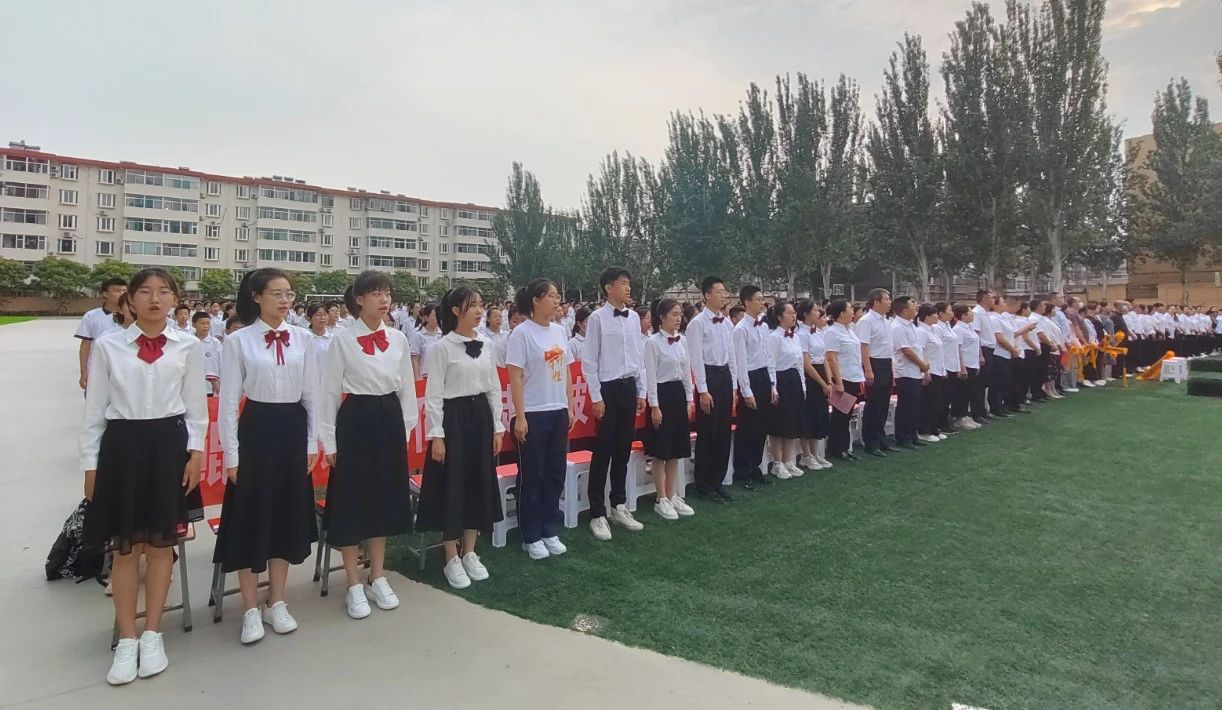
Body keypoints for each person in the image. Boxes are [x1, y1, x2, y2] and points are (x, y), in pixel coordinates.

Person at [80, 268, 206, 685]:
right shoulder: (109, 345)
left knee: (160, 546)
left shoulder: (187, 345)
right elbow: (95, 412)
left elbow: (195, 409)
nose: (155, 299)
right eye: (146, 292)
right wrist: (90, 465)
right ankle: (127, 638)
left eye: (164, 292)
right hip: (123, 448)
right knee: (126, 548)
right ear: (130, 299)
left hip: (169, 446)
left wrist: (195, 454)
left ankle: (153, 633)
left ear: (174, 300)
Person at [213, 268, 319, 644]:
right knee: (251, 515)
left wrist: (311, 443)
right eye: (277, 294)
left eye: (289, 294)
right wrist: (232, 455)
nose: (285, 300)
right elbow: (228, 401)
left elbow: (312, 394)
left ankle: (277, 600)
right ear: (256, 297)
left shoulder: (304, 339)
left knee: (284, 515)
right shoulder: (238, 341)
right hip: (256, 431)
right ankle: (249, 608)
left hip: (292, 429)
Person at [317, 271, 417, 619]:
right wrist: (329, 440)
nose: (384, 299)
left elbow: (407, 388)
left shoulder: (398, 339)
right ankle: (353, 583)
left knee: (383, 499)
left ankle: (377, 575)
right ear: (359, 300)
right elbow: (329, 392)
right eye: (376, 293)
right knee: (351, 500)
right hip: (355, 418)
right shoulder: (342, 340)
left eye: (387, 293)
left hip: (389, 418)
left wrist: (405, 431)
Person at [419, 287, 506, 588]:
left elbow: (493, 387)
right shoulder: (442, 348)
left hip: (480, 416)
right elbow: (434, 395)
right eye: (472, 306)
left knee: (477, 481)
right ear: (456, 311)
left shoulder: (487, 344)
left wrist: (497, 426)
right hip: (453, 419)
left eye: (481, 305)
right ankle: (451, 555)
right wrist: (437, 435)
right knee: (453, 484)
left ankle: (470, 551)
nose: (479, 311)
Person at [507, 279, 577, 560]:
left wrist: (569, 405)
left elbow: (567, 371)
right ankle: (531, 534)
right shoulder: (521, 334)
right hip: (533, 412)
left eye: (557, 295)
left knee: (555, 472)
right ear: (535, 300)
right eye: (551, 295)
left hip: (557, 409)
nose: (556, 300)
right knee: (532, 475)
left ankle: (548, 528)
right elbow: (515, 377)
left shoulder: (560, 331)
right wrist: (520, 416)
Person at [580, 267, 647, 541]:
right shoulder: (597, 318)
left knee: (623, 449)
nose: (628, 288)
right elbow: (589, 361)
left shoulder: (633, 318)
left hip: (628, 386)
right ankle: (597, 512)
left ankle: (619, 505)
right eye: (623, 283)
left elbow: (638, 357)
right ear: (608, 288)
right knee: (603, 450)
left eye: (629, 284)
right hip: (607, 389)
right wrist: (596, 397)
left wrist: (641, 391)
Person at [643, 299, 696, 520]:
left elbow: (686, 372)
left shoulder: (682, 340)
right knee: (661, 450)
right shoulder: (652, 343)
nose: (678, 318)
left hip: (678, 395)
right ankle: (661, 498)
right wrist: (654, 406)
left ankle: (672, 494)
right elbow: (650, 377)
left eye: (680, 314)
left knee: (676, 449)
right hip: (661, 395)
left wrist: (689, 399)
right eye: (674, 314)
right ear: (662, 317)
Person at [685, 276, 738, 500]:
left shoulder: (726, 323)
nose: (724, 295)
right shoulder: (697, 324)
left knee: (724, 430)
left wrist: (734, 386)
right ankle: (703, 482)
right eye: (719, 291)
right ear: (707, 295)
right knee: (708, 431)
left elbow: (732, 355)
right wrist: (703, 390)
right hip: (708, 377)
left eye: (724, 291)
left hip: (724, 376)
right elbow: (695, 359)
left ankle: (718, 479)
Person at [732, 285, 776, 489]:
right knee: (748, 426)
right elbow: (740, 363)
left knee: (762, 425)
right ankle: (743, 470)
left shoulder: (764, 326)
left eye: (762, 298)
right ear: (747, 302)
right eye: (758, 299)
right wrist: (746, 391)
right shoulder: (740, 329)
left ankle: (755, 465)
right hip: (749, 378)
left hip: (763, 375)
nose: (762, 302)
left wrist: (773, 384)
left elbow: (769, 356)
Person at [765, 301, 806, 477]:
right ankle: (778, 463)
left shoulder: (796, 337)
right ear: (780, 317)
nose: (793, 316)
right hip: (781, 380)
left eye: (794, 313)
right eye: (789, 313)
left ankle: (789, 460)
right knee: (779, 423)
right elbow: (771, 363)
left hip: (794, 380)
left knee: (792, 421)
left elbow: (800, 364)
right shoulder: (774, 337)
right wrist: (773, 386)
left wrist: (803, 385)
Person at [823, 299, 864, 461]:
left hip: (854, 376)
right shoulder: (832, 332)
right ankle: (836, 448)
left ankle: (845, 447)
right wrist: (838, 382)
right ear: (841, 313)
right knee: (840, 416)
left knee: (847, 415)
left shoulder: (850, 329)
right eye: (849, 309)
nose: (852, 312)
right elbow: (831, 358)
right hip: (843, 377)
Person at [857, 289, 894, 455]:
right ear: (876, 302)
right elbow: (864, 346)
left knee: (884, 403)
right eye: (886, 299)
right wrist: (868, 370)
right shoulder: (866, 321)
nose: (890, 302)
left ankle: (881, 438)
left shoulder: (886, 321)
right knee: (874, 404)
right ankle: (871, 442)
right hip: (874, 363)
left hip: (886, 362)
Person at [796, 301, 832, 470]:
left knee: (819, 414)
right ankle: (806, 455)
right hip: (810, 376)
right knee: (809, 415)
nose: (818, 313)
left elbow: (824, 358)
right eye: (815, 310)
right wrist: (822, 383)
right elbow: (806, 363)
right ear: (806, 314)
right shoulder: (801, 334)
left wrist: (829, 381)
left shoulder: (819, 332)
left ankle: (816, 453)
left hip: (822, 372)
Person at [75, 276, 128, 391]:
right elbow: (85, 346)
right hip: (98, 370)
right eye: (117, 290)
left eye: (124, 290)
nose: (122, 294)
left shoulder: (134, 316)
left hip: (126, 371)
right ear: (105, 294)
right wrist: (84, 372)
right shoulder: (92, 316)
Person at [890, 296, 928, 448]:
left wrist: (923, 369)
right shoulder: (897, 327)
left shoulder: (911, 325)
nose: (916, 307)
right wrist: (922, 365)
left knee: (914, 405)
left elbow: (917, 348)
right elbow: (906, 350)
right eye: (913, 305)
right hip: (905, 371)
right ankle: (902, 436)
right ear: (905, 310)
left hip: (915, 370)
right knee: (906, 405)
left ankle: (912, 434)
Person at [915, 303, 947, 442]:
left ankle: (934, 428)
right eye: (934, 314)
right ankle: (924, 430)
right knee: (928, 401)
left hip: (938, 370)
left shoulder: (933, 330)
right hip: (929, 370)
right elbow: (920, 351)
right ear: (927, 316)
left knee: (935, 401)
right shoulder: (921, 331)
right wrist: (925, 371)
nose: (937, 316)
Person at [950, 304, 983, 429]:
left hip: (972, 364)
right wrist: (962, 367)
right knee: (962, 392)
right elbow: (958, 348)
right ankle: (958, 416)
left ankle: (964, 414)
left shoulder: (969, 328)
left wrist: (977, 363)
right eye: (970, 313)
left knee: (969, 391)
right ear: (963, 315)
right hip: (965, 364)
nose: (972, 314)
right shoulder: (959, 329)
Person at [191, 311, 221, 396]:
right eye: (202, 323)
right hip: (191, 385)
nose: (205, 326)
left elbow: (221, 364)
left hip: (210, 386)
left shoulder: (215, 343)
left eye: (208, 323)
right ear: (193, 324)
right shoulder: (189, 341)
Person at [412, 305, 443, 379]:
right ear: (426, 318)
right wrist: (417, 379)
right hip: (424, 378)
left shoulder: (443, 335)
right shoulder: (418, 336)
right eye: (435, 316)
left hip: (441, 377)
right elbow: (415, 359)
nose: (438, 318)